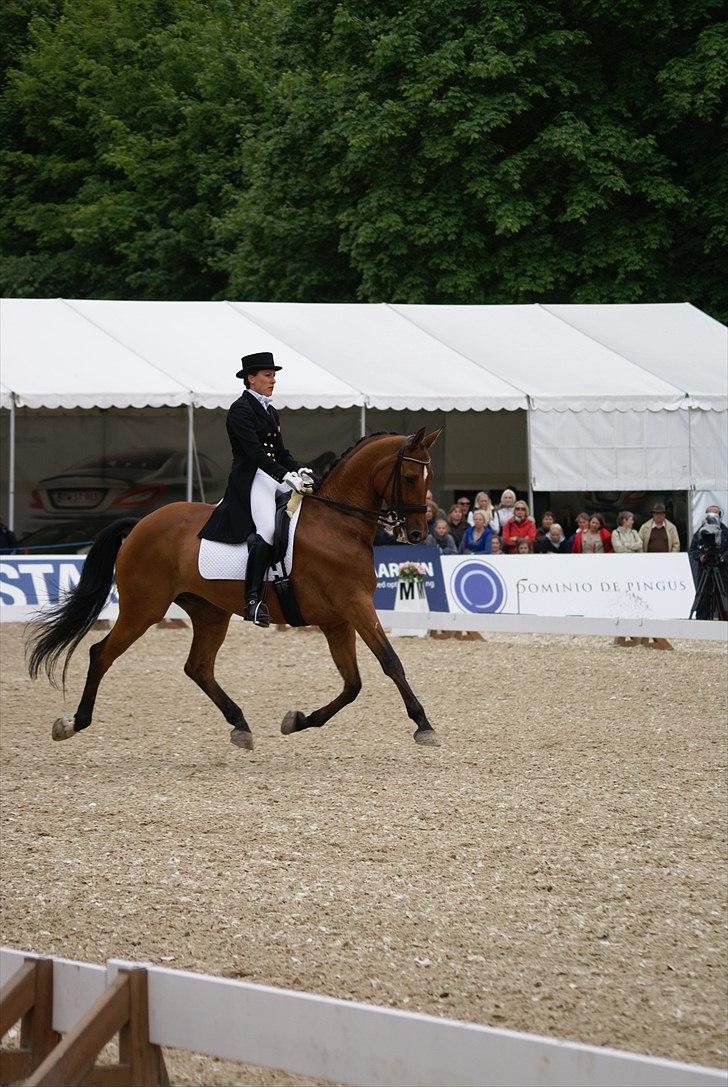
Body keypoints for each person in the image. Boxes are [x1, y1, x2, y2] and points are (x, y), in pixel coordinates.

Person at [198, 351, 315, 627]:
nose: (273, 380)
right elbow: (254, 453)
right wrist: (286, 475)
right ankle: (251, 600)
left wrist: (299, 470)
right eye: (267, 375)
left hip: (273, 476)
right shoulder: (241, 409)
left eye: (274, 376)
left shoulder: (269, 409)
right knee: (268, 530)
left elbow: (280, 451)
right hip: (252, 479)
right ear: (251, 379)